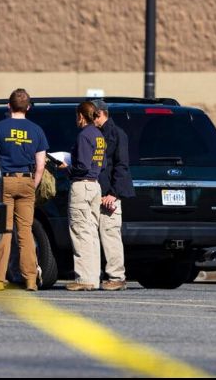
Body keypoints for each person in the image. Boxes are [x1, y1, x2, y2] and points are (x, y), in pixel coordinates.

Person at [0, 89, 48, 292]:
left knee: (5, 231)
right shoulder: (36, 130)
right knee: (25, 232)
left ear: (8, 106)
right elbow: (41, 164)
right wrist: (32, 184)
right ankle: (30, 280)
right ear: (28, 107)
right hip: (27, 181)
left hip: (5, 182)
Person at [61, 101, 107, 291]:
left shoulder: (84, 135)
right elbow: (101, 165)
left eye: (77, 116)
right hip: (95, 186)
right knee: (92, 233)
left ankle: (83, 278)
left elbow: (82, 167)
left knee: (80, 232)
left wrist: (66, 168)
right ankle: (93, 277)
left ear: (81, 116)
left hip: (82, 185)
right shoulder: (99, 136)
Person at [92, 100, 135, 291]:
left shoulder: (116, 134)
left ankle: (117, 277)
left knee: (110, 235)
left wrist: (112, 194)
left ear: (100, 114)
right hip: (96, 192)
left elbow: (121, 166)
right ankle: (95, 276)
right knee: (94, 236)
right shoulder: (94, 134)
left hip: (110, 195)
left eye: (91, 115)